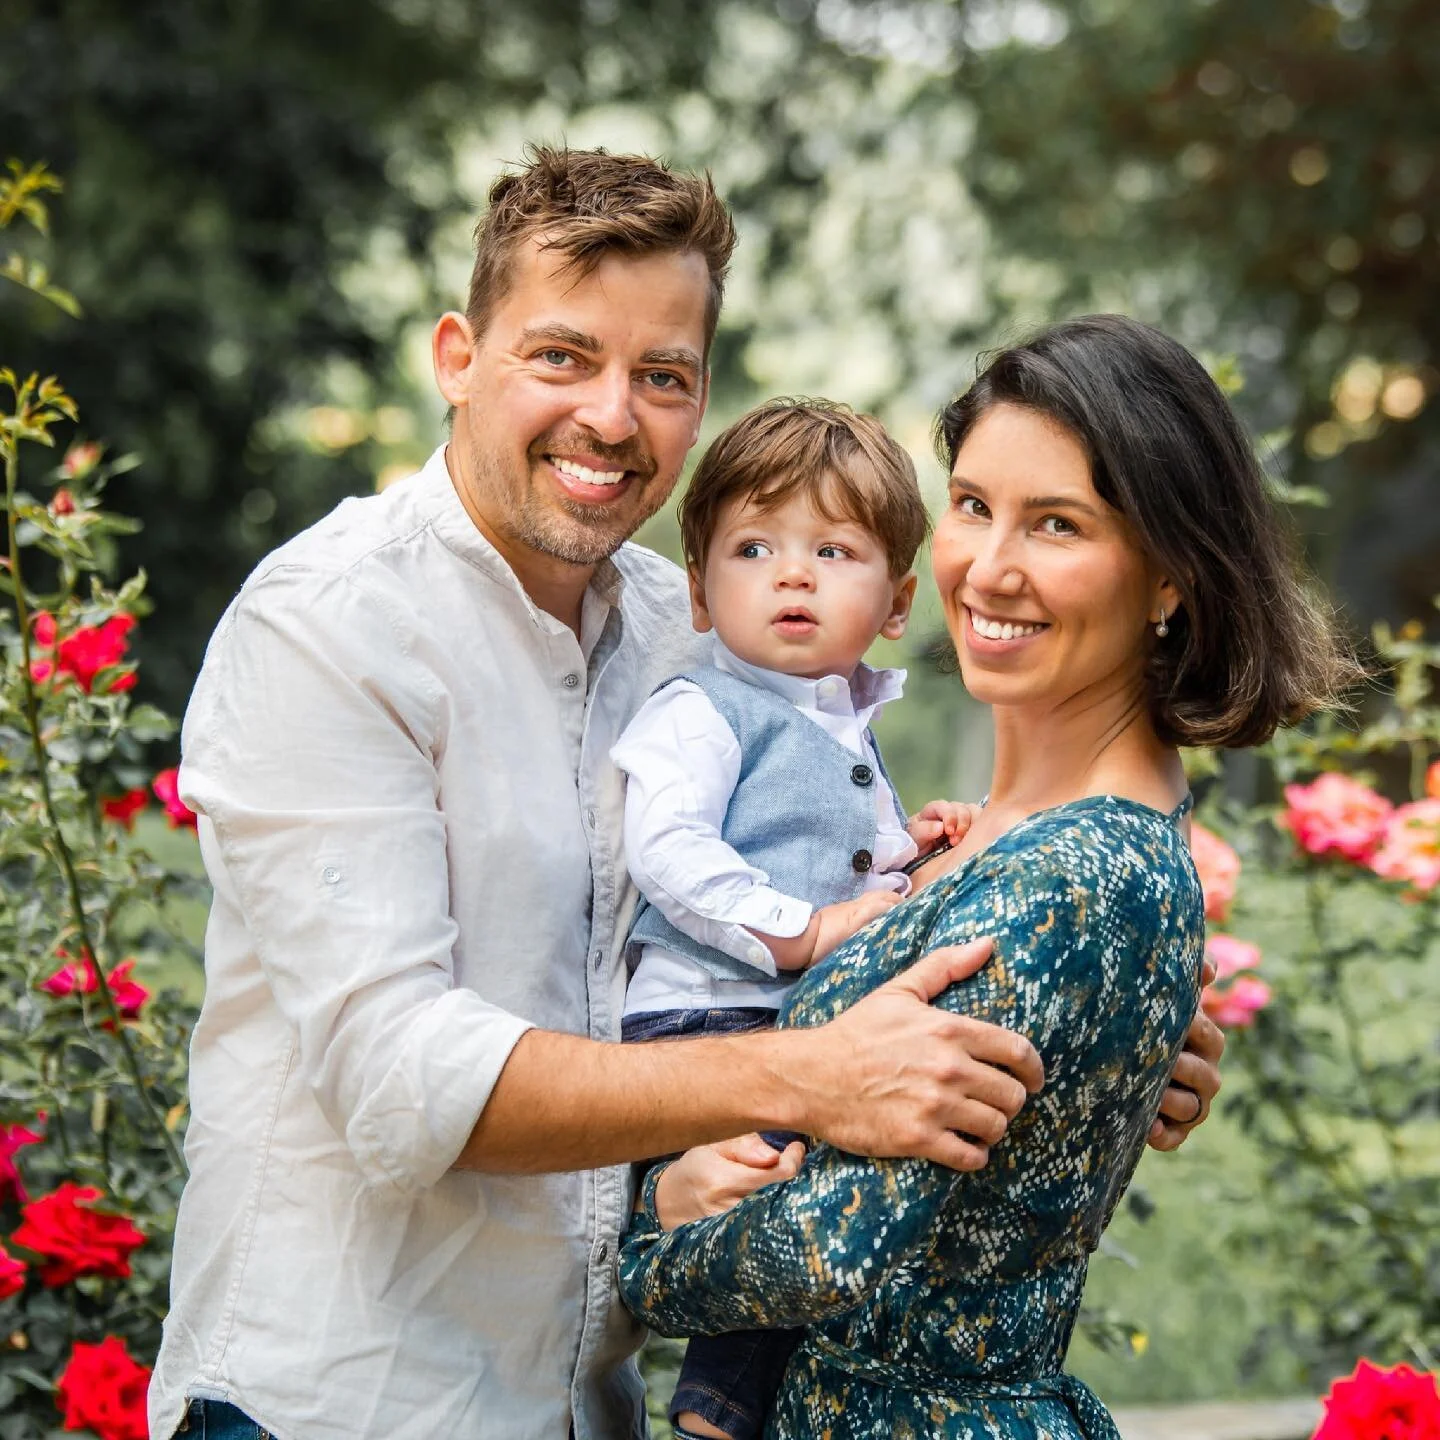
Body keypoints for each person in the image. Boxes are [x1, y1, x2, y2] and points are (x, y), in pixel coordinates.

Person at [149, 147, 1222, 1440]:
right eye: (561, 357)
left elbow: (776, 889)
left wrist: (1071, 1033)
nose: (612, 417)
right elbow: (400, 1080)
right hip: (347, 1401)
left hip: (587, 1401)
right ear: (456, 357)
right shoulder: (330, 629)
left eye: (662, 378)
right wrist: (807, 1078)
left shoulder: (684, 627)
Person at [619, 315, 1359, 1440]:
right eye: (972, 505)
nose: (988, 567)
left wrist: (634, 1225)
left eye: (1056, 524)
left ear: (1169, 576)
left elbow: (821, 1249)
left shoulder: (1065, 878)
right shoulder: (1003, 839)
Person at [613, 397, 979, 1439]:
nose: (792, 574)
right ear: (696, 590)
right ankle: (717, 1405)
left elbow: (857, 869)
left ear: (898, 599)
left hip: (781, 1020)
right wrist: (803, 934)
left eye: (834, 549)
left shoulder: (848, 725)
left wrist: (924, 848)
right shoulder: (701, 710)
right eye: (754, 548)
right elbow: (672, 853)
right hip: (705, 1016)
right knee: (795, 1181)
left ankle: (759, 1399)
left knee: (837, 1179)